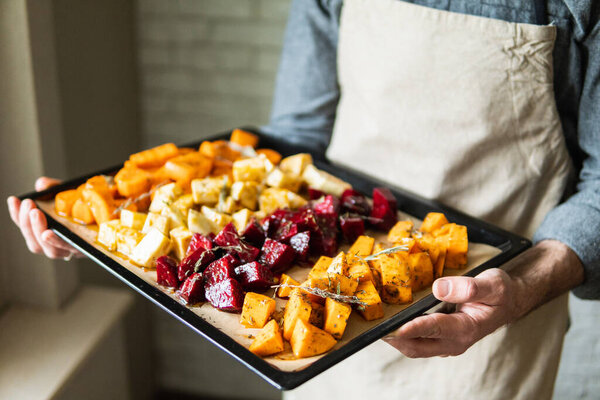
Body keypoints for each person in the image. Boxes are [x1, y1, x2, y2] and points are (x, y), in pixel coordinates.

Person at [7, 0, 599, 399]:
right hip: (319, 307)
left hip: (490, 324)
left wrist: (522, 287)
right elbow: (296, 134)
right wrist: (110, 233)